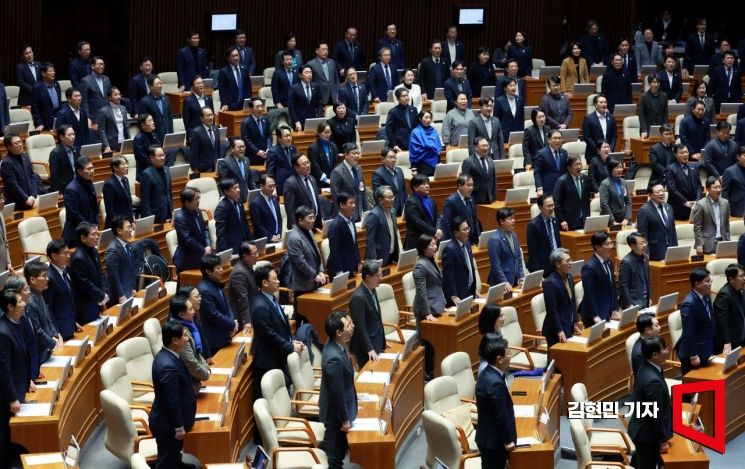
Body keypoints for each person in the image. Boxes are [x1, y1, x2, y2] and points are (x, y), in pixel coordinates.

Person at [250, 263, 303, 398]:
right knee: (273, 399)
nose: (279, 281)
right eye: (274, 279)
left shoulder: (271, 298)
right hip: (268, 360)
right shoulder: (260, 306)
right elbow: (269, 334)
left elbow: (279, 326)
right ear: (264, 282)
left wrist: (291, 340)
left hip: (278, 354)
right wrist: (290, 346)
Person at [149, 320, 197, 469]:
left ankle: (178, 463)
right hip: (167, 424)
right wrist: (178, 427)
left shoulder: (169, 354)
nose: (187, 338)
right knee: (166, 460)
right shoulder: (167, 367)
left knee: (175, 451)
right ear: (175, 341)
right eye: (184, 336)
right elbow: (172, 400)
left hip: (168, 420)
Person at [627, 336, 672, 469]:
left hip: (641, 426)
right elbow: (655, 415)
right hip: (646, 435)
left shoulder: (646, 366)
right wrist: (663, 441)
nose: (667, 350)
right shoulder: (653, 381)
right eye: (664, 348)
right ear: (655, 355)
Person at [319, 311, 357, 469]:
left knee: (339, 452)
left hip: (340, 409)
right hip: (335, 416)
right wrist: (344, 419)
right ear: (339, 333)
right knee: (334, 458)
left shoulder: (337, 344)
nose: (352, 326)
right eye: (348, 325)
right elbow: (337, 392)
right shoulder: (333, 358)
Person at [475, 336, 517, 469]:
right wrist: (507, 441)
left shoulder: (487, 373)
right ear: (499, 359)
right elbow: (500, 416)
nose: (510, 356)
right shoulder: (495, 383)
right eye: (508, 353)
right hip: (493, 442)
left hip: (486, 436)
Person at [0, 289, 31, 468]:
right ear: (10, 306)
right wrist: (12, 398)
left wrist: (29, 380)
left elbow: (20, 357)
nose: (24, 303)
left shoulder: (15, 323)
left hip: (17, 387)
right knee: (4, 436)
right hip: (5, 397)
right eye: (20, 302)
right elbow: (3, 370)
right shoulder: (3, 332)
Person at [413, 234, 446, 381]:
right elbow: (421, 292)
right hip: (426, 309)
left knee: (436, 342)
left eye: (435, 244)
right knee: (425, 343)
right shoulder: (420, 265)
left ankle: (432, 370)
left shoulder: (431, 260)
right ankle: (426, 373)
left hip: (437, 305)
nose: (435, 247)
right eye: (431, 245)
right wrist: (427, 313)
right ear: (423, 248)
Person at [286, 206, 328, 309]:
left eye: (313, 217)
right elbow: (300, 262)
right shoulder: (294, 238)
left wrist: (321, 271)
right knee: (302, 316)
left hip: (315, 281)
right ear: (300, 220)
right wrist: (314, 275)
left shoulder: (308, 231)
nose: (313, 221)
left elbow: (317, 252)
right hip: (303, 286)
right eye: (310, 218)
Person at [197, 254, 239, 354]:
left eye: (220, 266)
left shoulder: (215, 283)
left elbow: (226, 304)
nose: (221, 270)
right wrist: (232, 324)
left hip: (225, 333)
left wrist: (232, 322)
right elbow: (213, 314)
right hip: (215, 339)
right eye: (218, 268)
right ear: (208, 272)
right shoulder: (204, 290)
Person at [69, 222, 109, 324]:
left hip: (97, 300)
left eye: (97, 234)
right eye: (93, 234)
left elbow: (100, 273)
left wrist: (104, 292)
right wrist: (101, 296)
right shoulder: (78, 258)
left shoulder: (94, 251)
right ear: (83, 238)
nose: (97, 237)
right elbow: (85, 284)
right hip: (86, 306)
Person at [170, 295, 211, 394]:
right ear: (181, 314)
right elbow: (190, 361)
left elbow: (196, 353)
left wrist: (207, 369)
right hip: (187, 387)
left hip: (194, 380)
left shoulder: (190, 327)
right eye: (190, 309)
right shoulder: (179, 333)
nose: (193, 312)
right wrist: (206, 373)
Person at [23, 260, 62, 366]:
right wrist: (53, 343)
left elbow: (48, 316)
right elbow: (37, 331)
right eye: (44, 276)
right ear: (32, 280)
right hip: (40, 356)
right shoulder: (30, 302)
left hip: (48, 350)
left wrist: (56, 335)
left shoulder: (39, 294)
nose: (48, 279)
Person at [349, 260, 386, 366]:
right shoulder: (358, 297)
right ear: (368, 277)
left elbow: (376, 319)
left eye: (381, 274)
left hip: (376, 340)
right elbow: (360, 326)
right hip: (365, 349)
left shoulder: (372, 290)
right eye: (378, 276)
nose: (381, 278)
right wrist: (369, 348)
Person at [679, 267, 715, 376]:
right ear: (697, 284)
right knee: (690, 389)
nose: (710, 284)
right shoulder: (689, 304)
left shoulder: (706, 296)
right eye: (707, 281)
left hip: (705, 349)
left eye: (710, 281)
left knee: (705, 386)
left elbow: (709, 322)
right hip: (693, 354)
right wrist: (693, 355)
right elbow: (689, 332)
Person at [542, 248, 581, 348]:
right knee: (556, 361)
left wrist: (575, 322)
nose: (571, 263)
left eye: (571, 260)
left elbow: (572, 302)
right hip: (555, 330)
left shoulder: (569, 277)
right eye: (567, 261)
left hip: (568, 324)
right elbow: (552, 310)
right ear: (558, 264)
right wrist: (559, 330)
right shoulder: (550, 283)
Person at [580, 231, 620, 325]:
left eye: (611, 243)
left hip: (607, 310)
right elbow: (589, 294)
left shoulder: (609, 262)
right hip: (594, 315)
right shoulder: (589, 267)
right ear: (597, 247)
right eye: (607, 244)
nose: (611, 246)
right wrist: (595, 316)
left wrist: (615, 308)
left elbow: (612, 287)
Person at [43, 240, 81, 340]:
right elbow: (48, 309)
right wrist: (55, 333)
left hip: (70, 325)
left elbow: (67, 299)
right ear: (54, 256)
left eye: (68, 252)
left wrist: (73, 322)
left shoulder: (64, 270)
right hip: (60, 332)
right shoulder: (49, 278)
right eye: (65, 253)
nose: (69, 256)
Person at [63, 156, 99, 246]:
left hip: (90, 231)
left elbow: (94, 206)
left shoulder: (89, 183)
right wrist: (90, 227)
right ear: (79, 171)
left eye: (92, 168)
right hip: (76, 236)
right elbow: (74, 214)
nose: (92, 171)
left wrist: (95, 223)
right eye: (89, 169)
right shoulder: (71, 189)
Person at [637, 181, 678, 261]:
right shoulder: (644, 210)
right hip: (654, 254)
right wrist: (646, 255)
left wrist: (675, 250)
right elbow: (642, 235)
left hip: (670, 252)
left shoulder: (669, 207)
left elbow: (673, 231)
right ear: (650, 195)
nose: (661, 193)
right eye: (658, 192)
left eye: (663, 190)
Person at [173, 187, 211, 272]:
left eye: (199, 198)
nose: (198, 201)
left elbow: (205, 230)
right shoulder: (180, 218)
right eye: (195, 199)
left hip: (201, 255)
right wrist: (203, 250)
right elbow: (188, 239)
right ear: (186, 202)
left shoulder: (198, 211)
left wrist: (208, 245)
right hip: (188, 261)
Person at [442, 217, 479, 306]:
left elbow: (470, 268)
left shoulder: (467, 244)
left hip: (469, 291)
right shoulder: (449, 249)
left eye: (468, 228)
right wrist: (453, 295)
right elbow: (448, 275)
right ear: (456, 233)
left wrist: (474, 291)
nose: (468, 231)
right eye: (464, 229)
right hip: (458, 295)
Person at [487, 207, 524, 290]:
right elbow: (496, 266)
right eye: (510, 219)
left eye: (514, 218)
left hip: (515, 280)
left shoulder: (514, 235)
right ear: (501, 221)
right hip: (500, 284)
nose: (513, 221)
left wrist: (521, 276)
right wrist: (504, 282)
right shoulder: (494, 240)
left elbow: (518, 258)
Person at [691, 176, 730, 255]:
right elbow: (697, 226)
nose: (718, 190)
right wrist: (699, 244)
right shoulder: (701, 204)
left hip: (723, 241)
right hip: (708, 244)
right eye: (715, 187)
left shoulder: (725, 203)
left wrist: (728, 238)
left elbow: (727, 223)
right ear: (708, 189)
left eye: (719, 187)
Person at [1, 134, 41, 210]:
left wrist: (33, 195)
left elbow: (32, 176)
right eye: (16, 143)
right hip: (18, 203)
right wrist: (25, 198)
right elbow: (12, 185)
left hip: (31, 199)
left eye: (20, 142)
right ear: (9, 147)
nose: (20, 144)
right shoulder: (6, 163)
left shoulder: (25, 156)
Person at [330, 143, 368, 221]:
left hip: (359, 214)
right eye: (354, 153)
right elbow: (336, 197)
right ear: (346, 155)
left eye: (358, 153)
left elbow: (363, 191)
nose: (357, 156)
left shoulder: (359, 169)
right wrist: (344, 217)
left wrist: (366, 212)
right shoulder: (337, 172)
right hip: (346, 215)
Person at [665, 143, 703, 220]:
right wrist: (685, 202)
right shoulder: (670, 169)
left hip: (694, 209)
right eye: (682, 153)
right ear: (675, 155)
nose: (685, 154)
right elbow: (672, 189)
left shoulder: (693, 167)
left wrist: (697, 201)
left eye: (686, 152)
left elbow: (699, 186)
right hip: (678, 209)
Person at [283, 154, 322, 229]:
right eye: (304, 164)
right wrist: (294, 227)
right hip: (301, 226)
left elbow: (316, 201)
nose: (308, 165)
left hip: (315, 222)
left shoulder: (312, 179)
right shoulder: (290, 183)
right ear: (296, 167)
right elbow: (289, 209)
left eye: (308, 162)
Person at [327, 193, 361, 276]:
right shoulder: (335, 226)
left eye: (354, 203)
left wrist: (359, 262)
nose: (354, 206)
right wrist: (339, 272)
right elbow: (334, 251)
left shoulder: (352, 221)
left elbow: (354, 245)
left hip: (352, 267)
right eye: (351, 203)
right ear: (342, 205)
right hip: (340, 270)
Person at [713, 264, 745, 355]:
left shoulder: (741, 289)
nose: (744, 278)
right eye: (741, 276)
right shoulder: (724, 296)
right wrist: (727, 342)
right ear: (731, 279)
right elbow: (722, 321)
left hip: (741, 335)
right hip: (730, 342)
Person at [105, 216, 137, 304]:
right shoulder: (112, 251)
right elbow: (113, 276)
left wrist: (133, 288)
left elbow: (132, 269)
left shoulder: (128, 244)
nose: (131, 230)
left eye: (131, 226)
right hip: (120, 297)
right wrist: (121, 296)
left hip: (130, 291)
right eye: (128, 227)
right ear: (119, 230)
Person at [365, 187, 401, 266]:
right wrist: (373, 259)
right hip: (379, 256)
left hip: (391, 255)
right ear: (380, 200)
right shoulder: (374, 215)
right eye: (389, 197)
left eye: (392, 197)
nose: (392, 199)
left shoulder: (393, 211)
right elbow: (370, 239)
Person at [214, 178, 251, 254]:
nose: (238, 190)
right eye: (234, 188)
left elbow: (245, 224)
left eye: (238, 187)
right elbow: (221, 233)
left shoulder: (239, 202)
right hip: (231, 247)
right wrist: (226, 252)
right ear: (226, 191)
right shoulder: (221, 208)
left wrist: (250, 242)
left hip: (243, 244)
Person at [404, 175, 441, 249]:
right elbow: (417, 222)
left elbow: (438, 217)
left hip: (432, 238)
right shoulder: (411, 202)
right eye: (424, 184)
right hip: (418, 240)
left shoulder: (431, 200)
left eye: (427, 183)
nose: (427, 186)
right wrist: (434, 231)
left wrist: (437, 230)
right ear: (415, 187)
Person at [228, 242, 259, 332]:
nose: (257, 255)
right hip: (243, 318)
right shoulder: (239, 273)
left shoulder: (247, 267)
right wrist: (247, 322)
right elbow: (242, 299)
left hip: (252, 311)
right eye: (254, 253)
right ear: (245, 256)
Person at [527, 194, 561, 274]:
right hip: (543, 267)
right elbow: (533, 252)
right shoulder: (533, 225)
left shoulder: (555, 221)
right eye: (548, 206)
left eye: (552, 205)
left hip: (557, 264)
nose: (551, 208)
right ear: (540, 207)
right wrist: (538, 273)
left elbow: (558, 244)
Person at [140, 146, 172, 223]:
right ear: (151, 157)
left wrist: (172, 211)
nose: (162, 158)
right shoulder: (146, 174)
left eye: (163, 155)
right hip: (155, 216)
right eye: (159, 156)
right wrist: (149, 220)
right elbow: (145, 201)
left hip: (168, 213)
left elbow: (169, 193)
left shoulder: (167, 170)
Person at [619, 233, 652, 309]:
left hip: (645, 301)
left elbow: (647, 280)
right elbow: (623, 286)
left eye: (645, 242)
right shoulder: (626, 262)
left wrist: (649, 298)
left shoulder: (645, 258)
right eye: (641, 243)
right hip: (633, 303)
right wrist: (629, 304)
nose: (644, 245)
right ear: (633, 246)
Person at [460, 138, 497, 206]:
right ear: (476, 147)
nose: (485, 148)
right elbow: (464, 183)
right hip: (475, 200)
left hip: (490, 199)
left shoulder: (490, 160)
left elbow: (493, 180)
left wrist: (494, 196)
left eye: (487, 145)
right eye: (483, 146)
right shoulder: (468, 162)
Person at [371, 147, 406, 216]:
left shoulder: (399, 170)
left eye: (394, 157)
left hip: (401, 207)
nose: (393, 160)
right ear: (383, 159)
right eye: (390, 157)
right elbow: (377, 194)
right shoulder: (378, 174)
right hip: (387, 209)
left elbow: (403, 190)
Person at [218, 138, 255, 203]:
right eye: (239, 147)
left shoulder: (247, 160)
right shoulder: (225, 162)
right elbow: (224, 183)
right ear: (232, 149)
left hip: (246, 197)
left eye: (243, 147)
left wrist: (255, 193)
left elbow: (250, 180)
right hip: (233, 199)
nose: (242, 149)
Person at [138, 76, 173, 142]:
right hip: (153, 138)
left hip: (167, 137)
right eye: (157, 84)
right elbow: (143, 123)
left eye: (160, 83)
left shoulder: (166, 99)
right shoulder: (144, 101)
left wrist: (171, 135)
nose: (160, 86)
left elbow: (170, 118)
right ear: (150, 86)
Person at [583, 94, 617, 163]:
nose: (604, 104)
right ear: (595, 105)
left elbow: (614, 134)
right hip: (593, 154)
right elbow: (587, 137)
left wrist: (610, 148)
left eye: (605, 102)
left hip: (608, 154)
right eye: (601, 102)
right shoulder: (589, 118)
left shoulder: (611, 117)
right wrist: (598, 150)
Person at [288, 64, 322, 132]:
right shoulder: (294, 88)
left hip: (313, 119)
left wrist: (319, 118)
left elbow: (319, 104)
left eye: (310, 72)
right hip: (299, 121)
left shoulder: (316, 86)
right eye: (306, 72)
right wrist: (296, 121)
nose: (309, 75)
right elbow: (291, 107)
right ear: (300, 75)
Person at [598, 158, 632, 226]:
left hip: (623, 219)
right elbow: (604, 204)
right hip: (609, 221)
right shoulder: (605, 184)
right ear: (611, 169)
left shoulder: (624, 182)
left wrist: (626, 218)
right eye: (617, 167)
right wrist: (612, 221)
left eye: (621, 167)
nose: (620, 170)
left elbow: (628, 201)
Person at [249, 174, 282, 243]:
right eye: (270, 186)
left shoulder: (275, 199)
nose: (272, 188)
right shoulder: (255, 203)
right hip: (265, 241)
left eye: (274, 186)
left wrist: (279, 233)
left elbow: (278, 218)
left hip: (277, 238)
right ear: (261, 186)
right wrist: (270, 237)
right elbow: (258, 225)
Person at [265, 125, 298, 195]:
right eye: (286, 136)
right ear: (279, 138)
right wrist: (273, 188)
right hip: (281, 186)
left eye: (290, 135)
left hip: (294, 183)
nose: (289, 138)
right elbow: (270, 172)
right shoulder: (272, 151)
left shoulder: (293, 149)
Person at [102, 156, 133, 228]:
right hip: (116, 225)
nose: (127, 166)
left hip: (126, 222)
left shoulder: (125, 180)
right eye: (123, 164)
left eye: (126, 163)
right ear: (115, 168)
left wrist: (131, 221)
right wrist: (119, 225)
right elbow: (110, 209)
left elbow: (129, 202)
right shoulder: (109, 184)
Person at [408, 110, 442, 176]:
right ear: (420, 119)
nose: (428, 120)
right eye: (426, 118)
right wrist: (431, 148)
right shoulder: (415, 132)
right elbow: (414, 151)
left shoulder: (433, 131)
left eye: (430, 118)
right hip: (421, 162)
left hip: (435, 161)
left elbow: (437, 146)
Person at [218, 47, 251, 111]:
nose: (236, 58)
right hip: (230, 105)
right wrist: (224, 103)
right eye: (233, 56)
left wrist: (249, 101)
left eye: (237, 55)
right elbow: (222, 90)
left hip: (244, 104)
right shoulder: (224, 71)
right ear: (228, 58)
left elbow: (248, 87)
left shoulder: (245, 69)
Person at [307, 122, 340, 188]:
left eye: (329, 132)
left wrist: (335, 177)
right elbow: (315, 166)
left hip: (333, 180)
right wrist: (325, 179)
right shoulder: (313, 148)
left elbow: (336, 162)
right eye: (325, 132)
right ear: (319, 133)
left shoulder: (333, 146)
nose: (328, 134)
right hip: (320, 181)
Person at [48, 124, 79, 194]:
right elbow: (54, 176)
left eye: (73, 134)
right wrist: (59, 192)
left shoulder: (76, 149)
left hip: (77, 185)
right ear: (62, 137)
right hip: (65, 188)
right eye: (69, 135)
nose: (73, 137)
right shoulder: (55, 153)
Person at [240, 98, 271, 165]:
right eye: (257, 107)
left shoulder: (266, 120)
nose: (260, 109)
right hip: (253, 157)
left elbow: (269, 136)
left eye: (261, 106)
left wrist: (268, 149)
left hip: (266, 155)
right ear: (251, 109)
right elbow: (246, 140)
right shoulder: (246, 123)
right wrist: (257, 151)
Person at [386, 87, 419, 151]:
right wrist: (394, 145)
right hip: (400, 144)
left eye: (407, 95)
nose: (406, 98)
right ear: (398, 99)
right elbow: (389, 130)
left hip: (413, 142)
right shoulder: (393, 112)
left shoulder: (413, 109)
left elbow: (417, 126)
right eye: (403, 96)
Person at [31, 63, 61, 131]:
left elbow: (60, 103)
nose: (53, 73)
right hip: (45, 121)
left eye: (54, 71)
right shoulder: (37, 87)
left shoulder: (56, 84)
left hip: (58, 119)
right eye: (50, 71)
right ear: (43, 73)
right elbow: (35, 108)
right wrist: (39, 123)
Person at [189, 107, 221, 173]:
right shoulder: (196, 132)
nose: (211, 117)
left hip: (216, 168)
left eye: (212, 115)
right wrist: (195, 169)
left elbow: (218, 149)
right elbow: (194, 153)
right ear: (201, 118)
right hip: (203, 169)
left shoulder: (216, 130)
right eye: (208, 116)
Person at [308, 41, 340, 105]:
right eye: (323, 49)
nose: (325, 52)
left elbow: (336, 79)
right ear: (317, 51)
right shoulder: (311, 64)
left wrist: (337, 93)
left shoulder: (332, 62)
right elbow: (309, 82)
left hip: (334, 97)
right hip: (320, 97)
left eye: (327, 50)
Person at [133, 114, 160, 178]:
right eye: (150, 121)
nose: (153, 123)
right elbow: (142, 158)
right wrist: (156, 165)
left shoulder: (154, 135)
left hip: (156, 169)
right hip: (145, 172)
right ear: (143, 125)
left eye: (152, 120)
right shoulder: (138, 138)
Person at [723, 147, 745, 217]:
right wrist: (727, 209)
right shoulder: (729, 171)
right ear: (738, 157)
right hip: (737, 209)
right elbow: (725, 192)